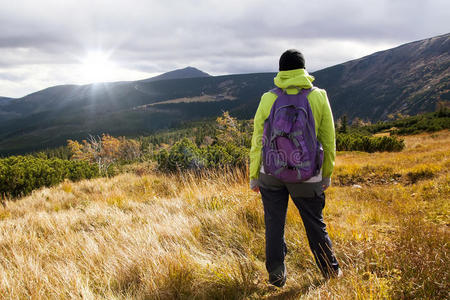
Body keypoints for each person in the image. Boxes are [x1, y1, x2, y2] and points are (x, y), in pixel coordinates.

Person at [249, 49, 342, 287]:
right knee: (314, 223)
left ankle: (276, 277)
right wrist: (327, 174)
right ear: (303, 69)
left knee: (274, 224)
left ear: (280, 70)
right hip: (307, 174)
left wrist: (253, 176)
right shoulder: (319, 96)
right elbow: (328, 140)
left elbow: (258, 139)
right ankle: (330, 272)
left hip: (270, 172)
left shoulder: (267, 98)